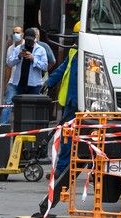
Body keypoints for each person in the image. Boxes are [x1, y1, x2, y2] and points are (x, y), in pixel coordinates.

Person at [45, 21, 80, 179]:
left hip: (87, 103)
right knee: (67, 136)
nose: (74, 41)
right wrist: (49, 82)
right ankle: (62, 168)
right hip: (71, 101)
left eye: (76, 37)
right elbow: (63, 68)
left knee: (90, 138)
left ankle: (94, 169)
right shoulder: (73, 51)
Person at [6, 27, 48, 95]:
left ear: (35, 39)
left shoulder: (41, 50)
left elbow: (45, 66)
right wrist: (19, 57)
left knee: (33, 105)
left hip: (34, 85)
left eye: (30, 40)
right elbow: (9, 63)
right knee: (20, 104)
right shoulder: (18, 48)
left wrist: (33, 59)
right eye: (27, 40)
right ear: (24, 38)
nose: (28, 43)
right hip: (20, 84)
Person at [0, 25, 23, 125]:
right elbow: (8, 66)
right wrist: (6, 82)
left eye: (18, 32)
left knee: (24, 106)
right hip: (13, 81)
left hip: (25, 82)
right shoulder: (10, 49)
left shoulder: (28, 46)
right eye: (14, 32)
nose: (15, 35)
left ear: (22, 34)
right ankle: (2, 126)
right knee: (8, 104)